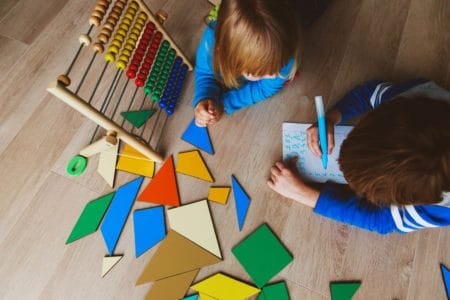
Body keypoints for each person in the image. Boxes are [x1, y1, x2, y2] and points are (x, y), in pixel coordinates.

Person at [268, 79, 450, 234]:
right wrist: (331, 118)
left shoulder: (441, 207)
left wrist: (301, 192)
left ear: (406, 200)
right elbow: (367, 94)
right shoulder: (413, 99)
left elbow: (381, 221)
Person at [193, 0, 303, 127]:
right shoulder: (211, 45)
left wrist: (224, 104)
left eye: (276, 68)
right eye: (259, 73)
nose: (274, 75)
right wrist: (204, 96)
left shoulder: (284, 53)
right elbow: (205, 73)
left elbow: (264, 89)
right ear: (230, 56)